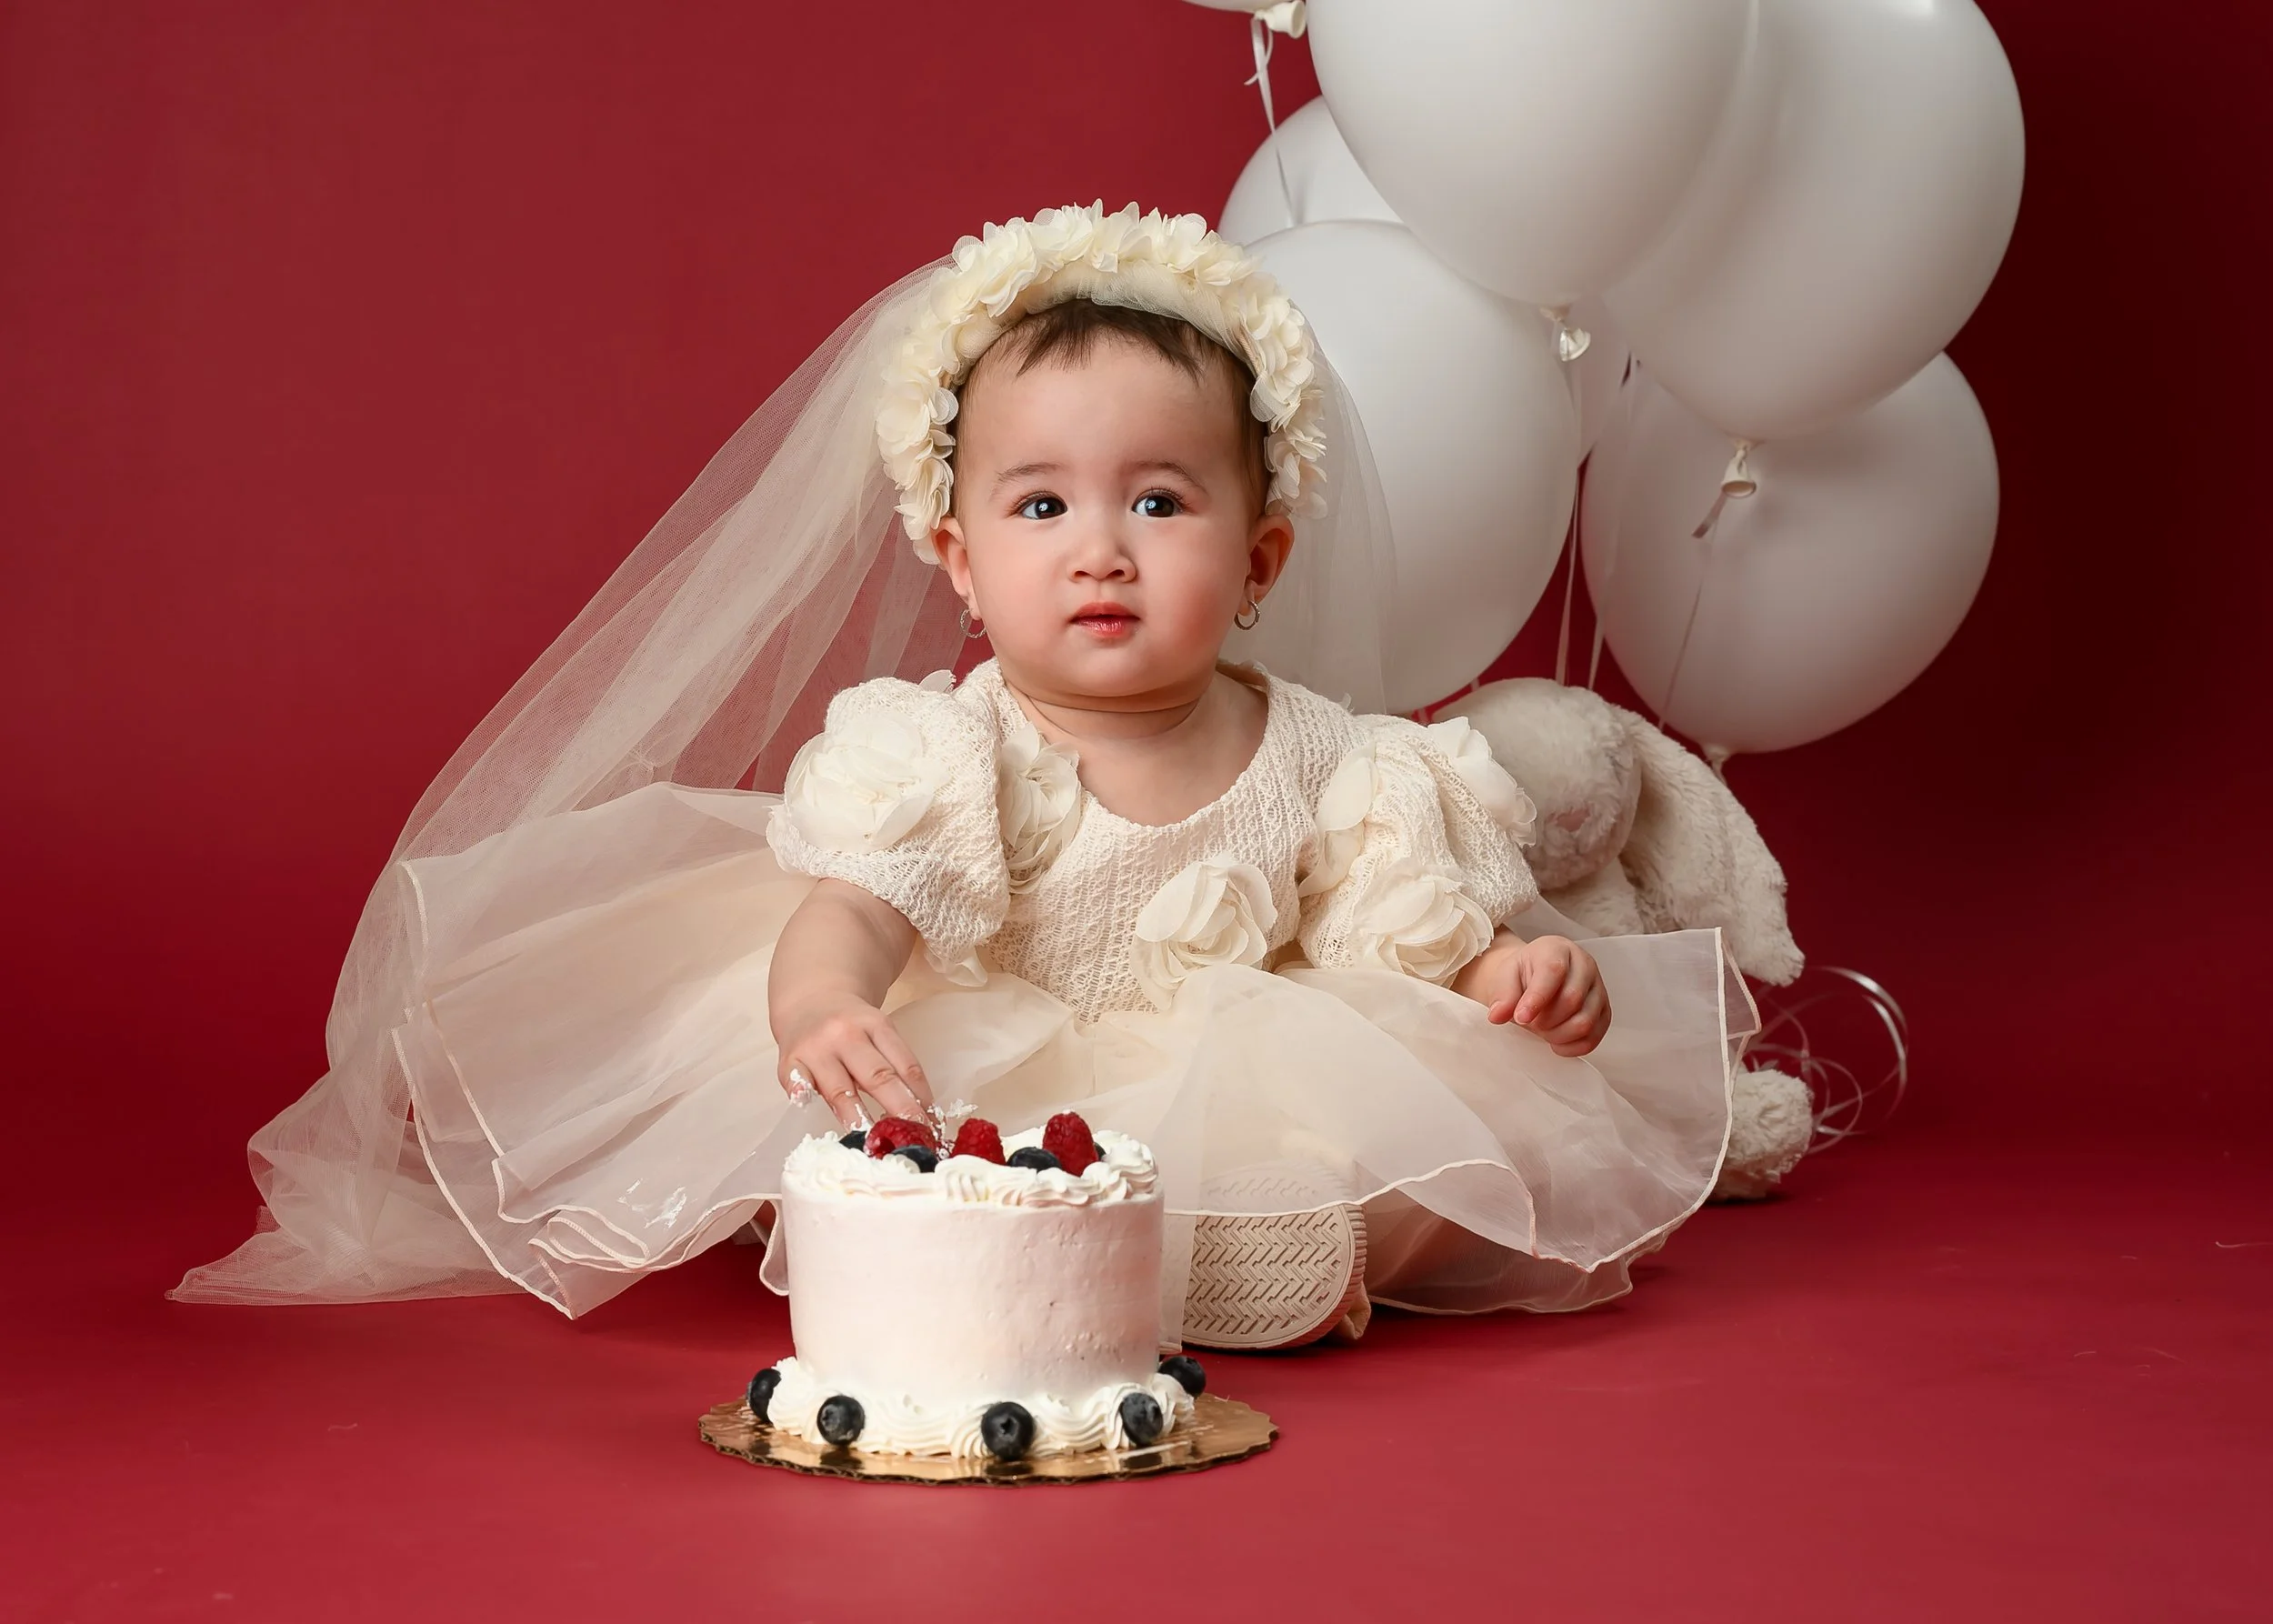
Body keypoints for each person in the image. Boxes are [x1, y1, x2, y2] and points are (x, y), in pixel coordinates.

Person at [175, 203, 1747, 1348]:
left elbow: (1407, 935)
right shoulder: (950, 749)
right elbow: (857, 916)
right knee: (902, 1140)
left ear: (1262, 554)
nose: (1104, 551)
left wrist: (1512, 969)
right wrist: (823, 1007)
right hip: (1002, 1064)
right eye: (1043, 507)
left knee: (1471, 1114)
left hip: (1237, 1072)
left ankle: (1209, 1252)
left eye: (1161, 500)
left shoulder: (1342, 760)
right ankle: (1090, 1254)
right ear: (959, 557)